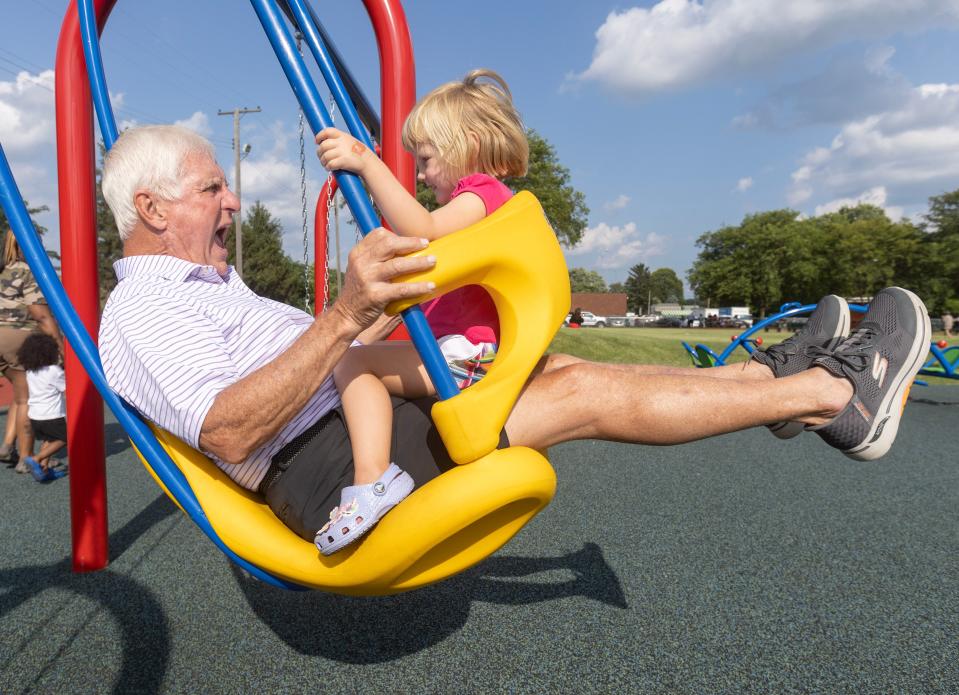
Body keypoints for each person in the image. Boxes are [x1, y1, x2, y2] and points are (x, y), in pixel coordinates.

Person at [97, 125, 931, 558]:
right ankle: (831, 396)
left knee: (556, 364)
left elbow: (341, 350)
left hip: (356, 417)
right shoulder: (141, 311)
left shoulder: (211, 286)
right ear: (153, 208)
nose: (234, 202)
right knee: (568, 394)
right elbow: (231, 429)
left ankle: (767, 374)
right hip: (326, 466)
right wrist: (346, 315)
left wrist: (402, 304)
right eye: (214, 188)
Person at [311, 69, 525, 553]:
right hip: (457, 347)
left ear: (468, 144)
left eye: (426, 160)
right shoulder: (477, 209)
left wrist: (368, 163)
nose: (423, 174)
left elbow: (423, 226)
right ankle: (374, 474)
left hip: (468, 353)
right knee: (357, 352)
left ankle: (373, 482)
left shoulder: (483, 194)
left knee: (350, 361)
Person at [0, 230, 62, 472]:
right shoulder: (27, 271)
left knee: (19, 391)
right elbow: (41, 315)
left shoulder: (3, 269)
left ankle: (7, 445)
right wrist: (59, 345)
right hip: (16, 336)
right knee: (28, 398)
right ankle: (26, 458)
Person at [16, 332, 67, 482]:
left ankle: (44, 470)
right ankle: (36, 459)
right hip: (51, 414)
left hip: (35, 415)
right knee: (64, 438)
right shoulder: (54, 371)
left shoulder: (31, 371)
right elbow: (66, 388)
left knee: (49, 439)